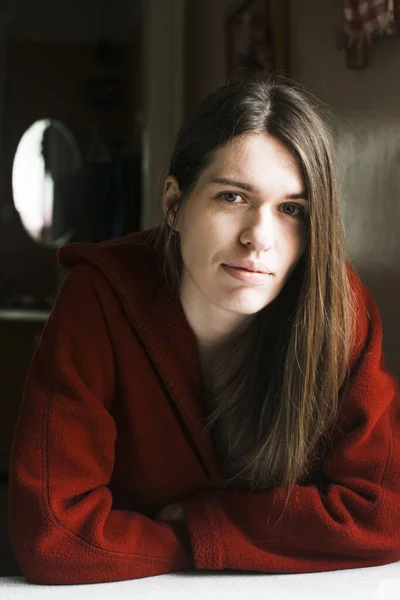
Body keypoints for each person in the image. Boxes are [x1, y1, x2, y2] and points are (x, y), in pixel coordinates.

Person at [8, 75, 400, 585]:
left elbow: (382, 513)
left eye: (291, 210)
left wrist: (198, 526)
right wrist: (222, 540)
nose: (259, 237)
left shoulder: (339, 308)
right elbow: (55, 535)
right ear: (174, 205)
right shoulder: (98, 297)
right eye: (233, 197)